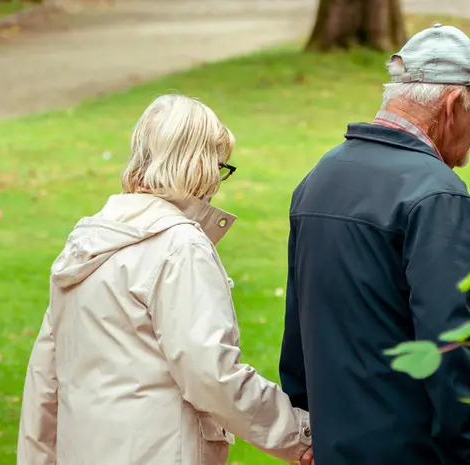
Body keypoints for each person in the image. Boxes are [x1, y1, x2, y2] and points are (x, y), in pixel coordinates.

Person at [17, 94, 314, 465]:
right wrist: (300, 436)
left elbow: (45, 377)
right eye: (220, 167)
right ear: (199, 165)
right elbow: (212, 375)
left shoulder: (85, 244)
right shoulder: (180, 246)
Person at [279, 24, 470, 465]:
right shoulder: (436, 192)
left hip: (333, 445)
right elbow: (447, 341)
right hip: (410, 451)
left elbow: (298, 323)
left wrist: (305, 425)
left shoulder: (319, 177)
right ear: (453, 105)